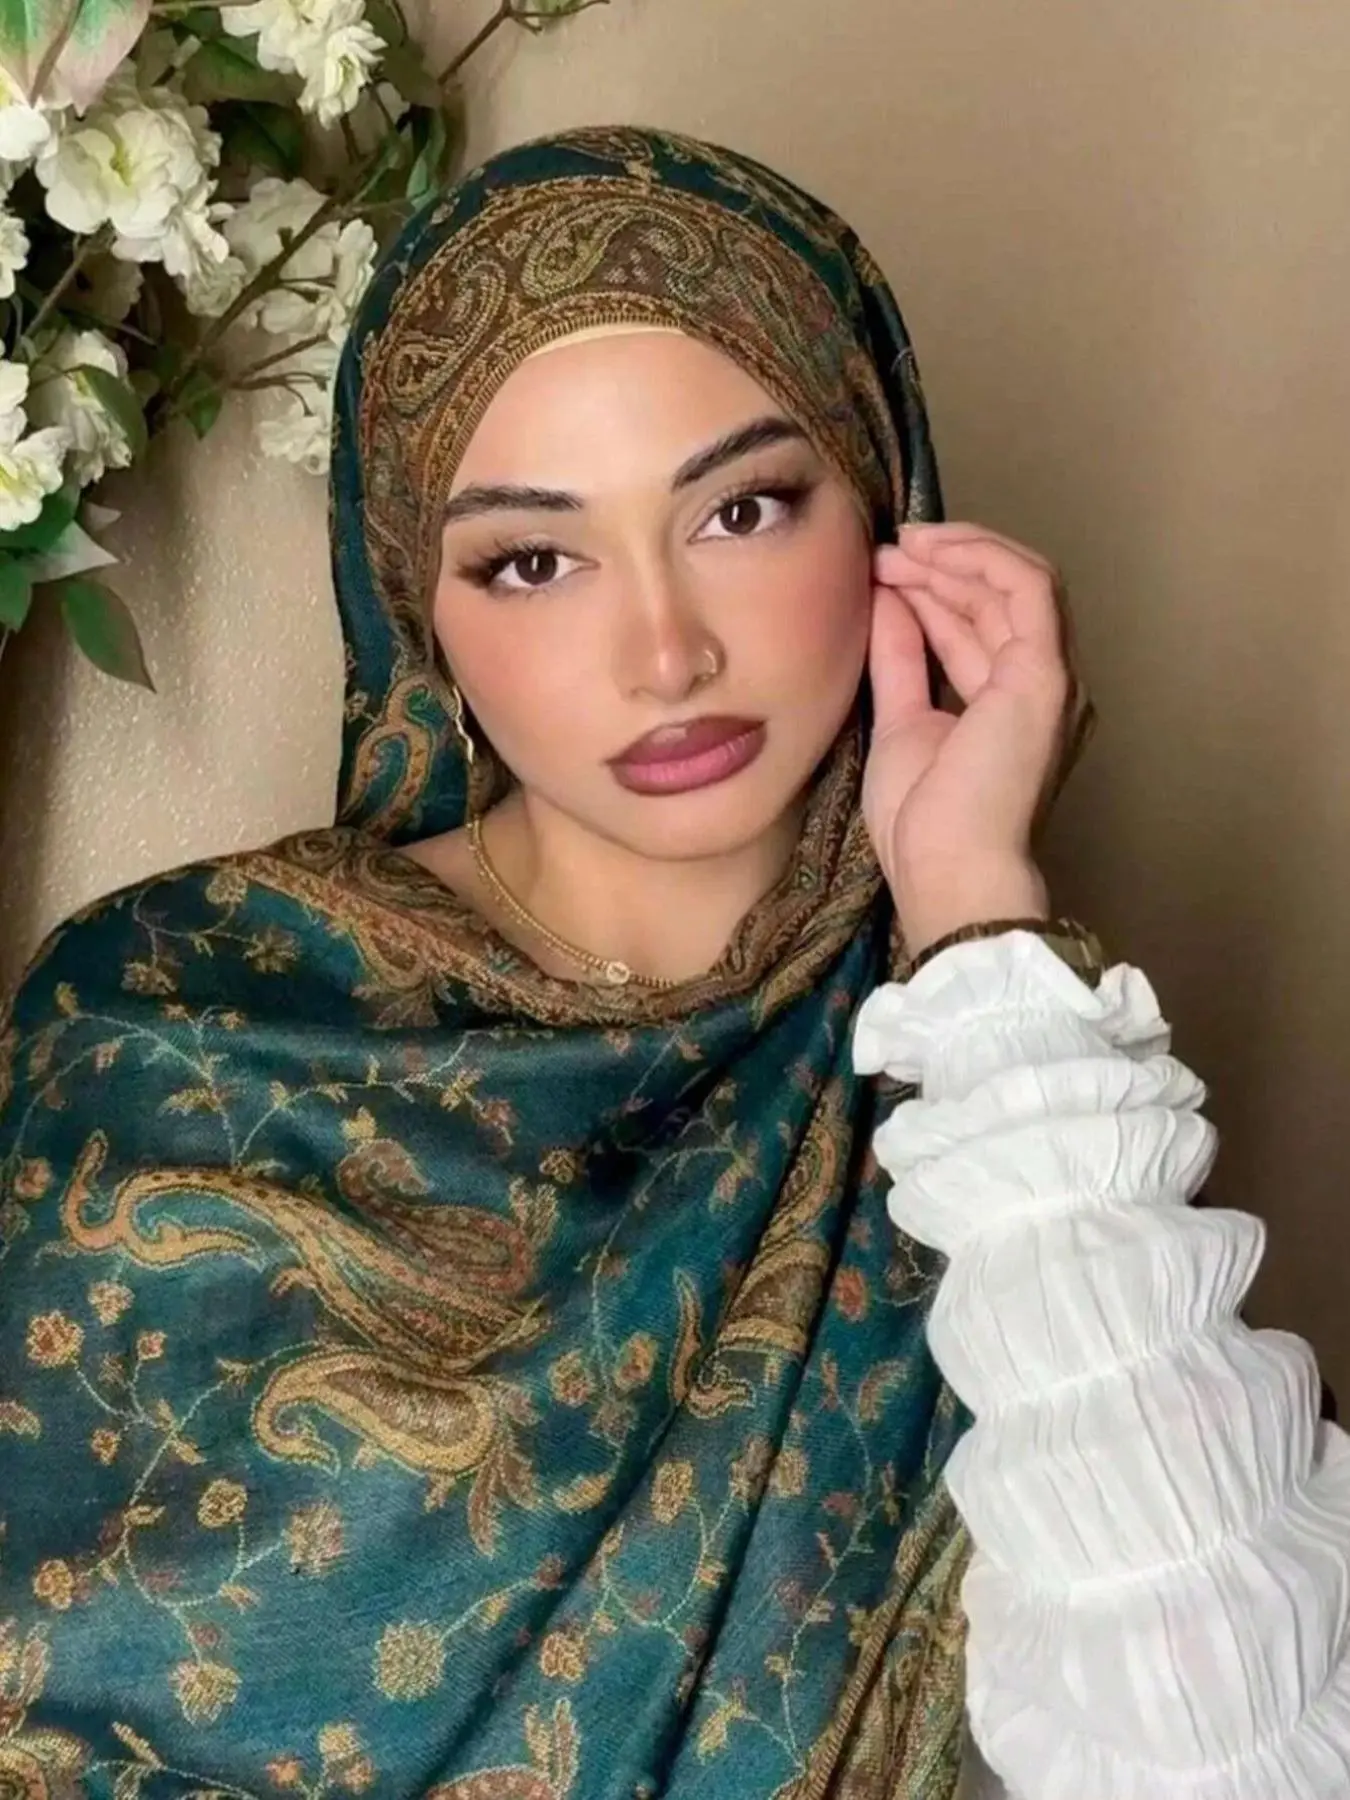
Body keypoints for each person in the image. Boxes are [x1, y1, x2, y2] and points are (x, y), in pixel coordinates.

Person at [0, 125, 1345, 1800]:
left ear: (888, 513)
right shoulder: (174, 1022)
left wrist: (974, 916)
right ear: (417, 610)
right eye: (532, 560)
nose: (665, 653)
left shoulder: (1000, 1097)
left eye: (742, 509)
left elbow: (1237, 1755)